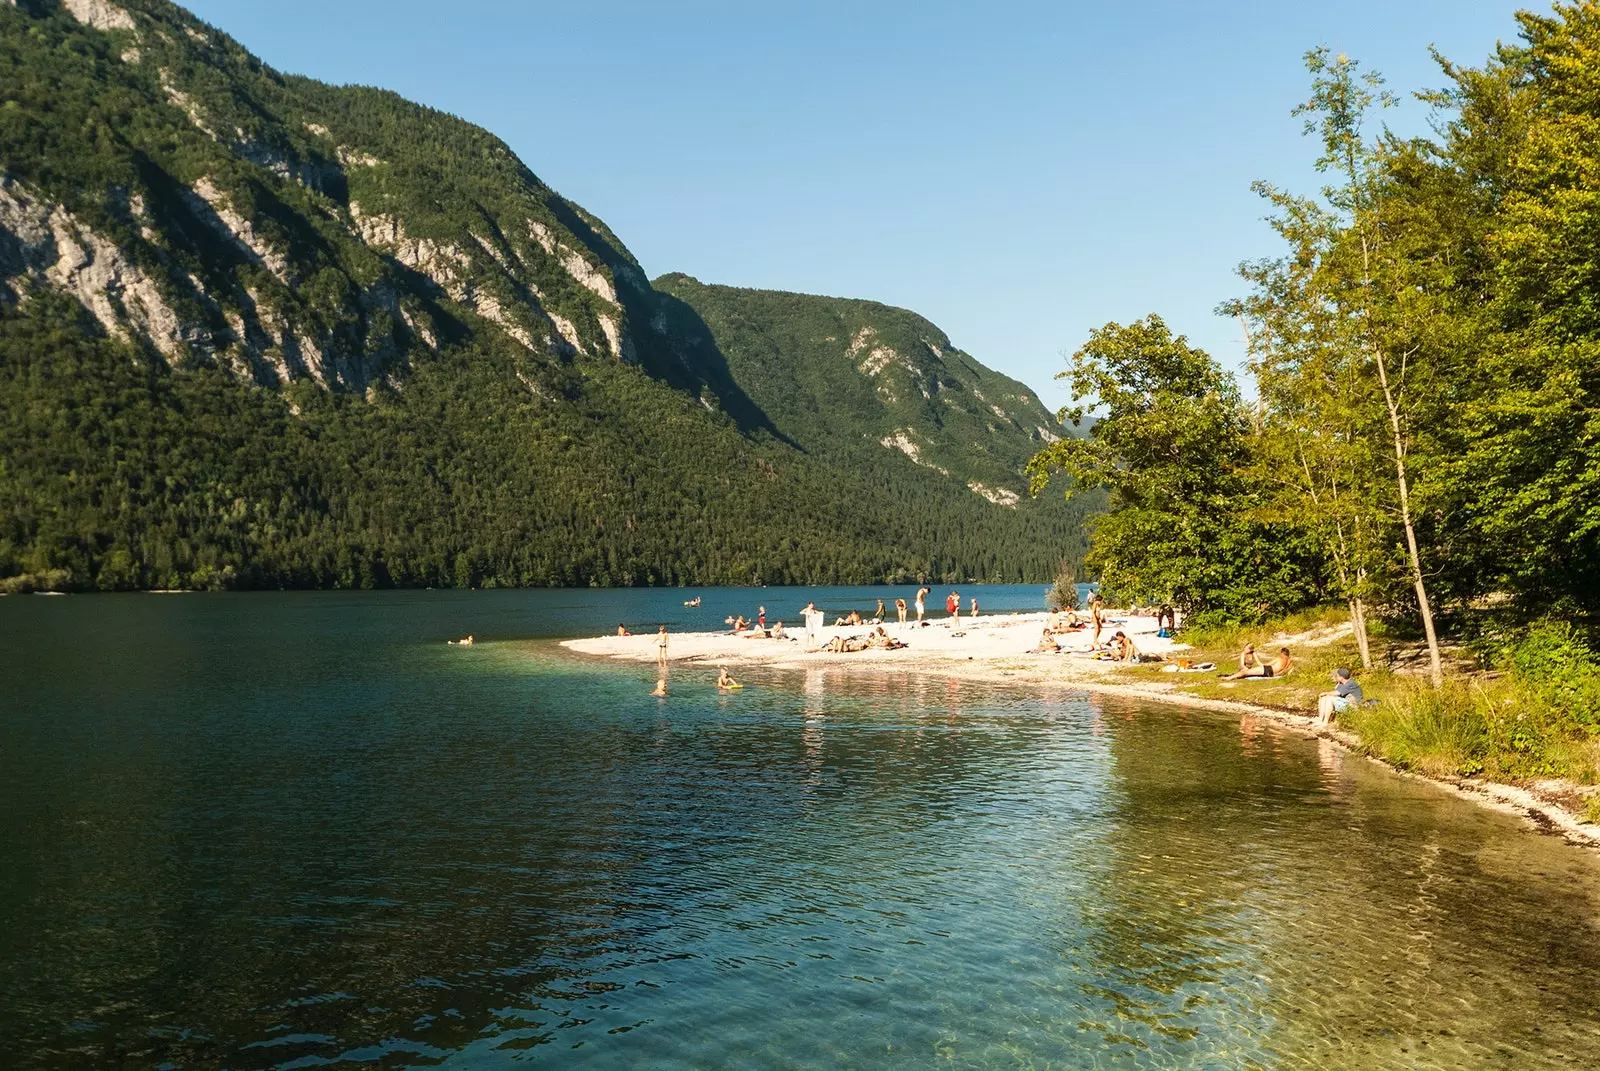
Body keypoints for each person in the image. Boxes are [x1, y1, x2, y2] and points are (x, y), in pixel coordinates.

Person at [1222, 647, 1291, 680]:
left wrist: (1261, 664)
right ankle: (1234, 676)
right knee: (1249, 673)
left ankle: (1230, 677)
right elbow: (1288, 672)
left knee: (1246, 672)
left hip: (1268, 669)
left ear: (1282, 653)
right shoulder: (1290, 662)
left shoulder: (1279, 658)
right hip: (1271, 674)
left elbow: (1267, 664)